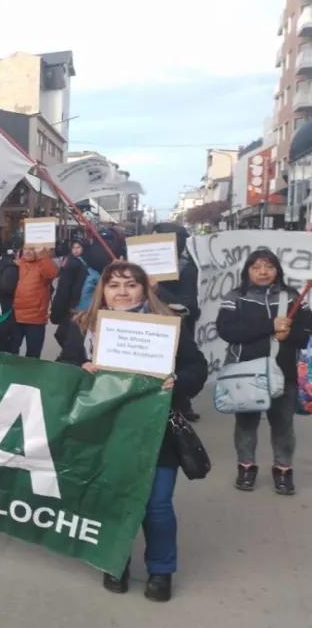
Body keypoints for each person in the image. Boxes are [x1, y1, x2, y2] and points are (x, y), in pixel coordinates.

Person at [58, 261, 208, 602]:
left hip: (156, 429)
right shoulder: (83, 325)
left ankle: (161, 570)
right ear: (103, 290)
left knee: (156, 505)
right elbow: (62, 367)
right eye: (114, 285)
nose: (122, 292)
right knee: (111, 500)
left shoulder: (168, 325)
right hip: (104, 429)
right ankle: (115, 561)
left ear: (144, 288)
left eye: (130, 285)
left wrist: (178, 381)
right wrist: (79, 369)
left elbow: (196, 366)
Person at [215, 249, 312, 495]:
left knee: (283, 425)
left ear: (277, 270)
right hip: (244, 374)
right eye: (256, 267)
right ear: (247, 270)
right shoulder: (234, 297)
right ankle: (246, 468)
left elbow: (306, 334)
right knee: (246, 424)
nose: (262, 272)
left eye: (268, 266)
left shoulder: (293, 297)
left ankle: (283, 470)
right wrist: (270, 326)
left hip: (283, 373)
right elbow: (227, 330)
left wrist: (291, 335)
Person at [152, 223, 202, 421]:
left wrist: (157, 289)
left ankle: (181, 405)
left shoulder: (188, 269)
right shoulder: (138, 267)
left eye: (156, 238)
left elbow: (188, 305)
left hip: (176, 333)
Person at [11, 247, 58, 358]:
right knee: (11, 352)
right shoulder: (18, 264)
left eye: (31, 249)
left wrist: (44, 256)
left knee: (33, 356)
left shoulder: (43, 264)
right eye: (25, 248)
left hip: (35, 319)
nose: (27, 251)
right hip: (16, 316)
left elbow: (51, 274)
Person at [49, 240, 89, 347]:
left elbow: (64, 288)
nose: (76, 250)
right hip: (76, 305)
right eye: (74, 248)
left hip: (76, 305)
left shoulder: (77, 263)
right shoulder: (72, 262)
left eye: (78, 248)